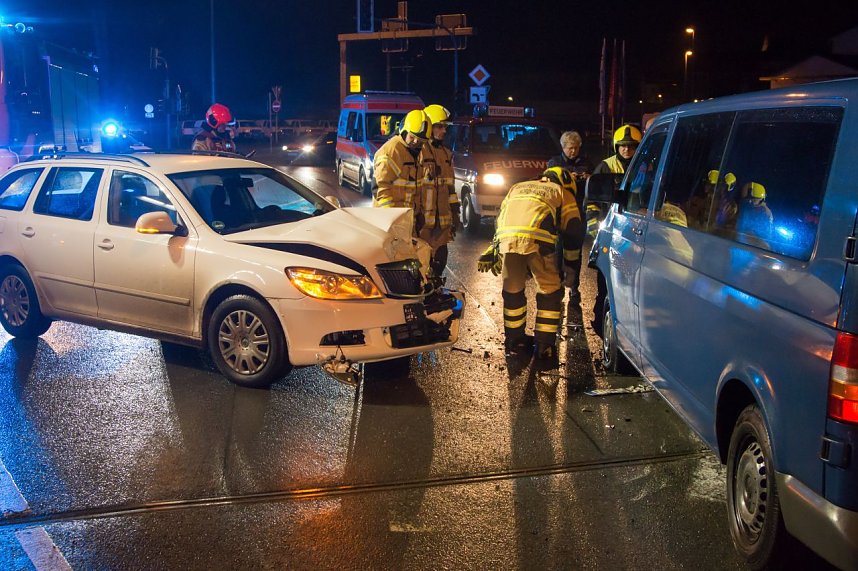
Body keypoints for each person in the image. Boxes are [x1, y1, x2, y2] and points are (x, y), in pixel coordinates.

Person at [478, 167, 583, 360]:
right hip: (539, 241)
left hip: (508, 241)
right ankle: (544, 344)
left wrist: (495, 247)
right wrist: (570, 266)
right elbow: (573, 229)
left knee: (513, 289)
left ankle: (514, 340)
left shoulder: (517, 187)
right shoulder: (560, 191)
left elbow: (501, 218)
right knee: (550, 291)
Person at [373, 109, 431, 237]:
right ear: (403, 130)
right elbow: (380, 188)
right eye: (412, 137)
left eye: (421, 141)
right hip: (389, 223)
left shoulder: (416, 153)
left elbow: (416, 188)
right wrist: (391, 219)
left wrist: (418, 213)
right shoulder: (392, 151)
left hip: (407, 221)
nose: (416, 143)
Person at [418, 104, 460, 280]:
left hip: (441, 223)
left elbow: (450, 186)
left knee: (440, 260)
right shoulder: (419, 151)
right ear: (429, 127)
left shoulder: (445, 154)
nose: (444, 131)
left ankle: (435, 290)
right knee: (420, 264)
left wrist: (455, 211)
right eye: (439, 126)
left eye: (445, 127)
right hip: (422, 223)